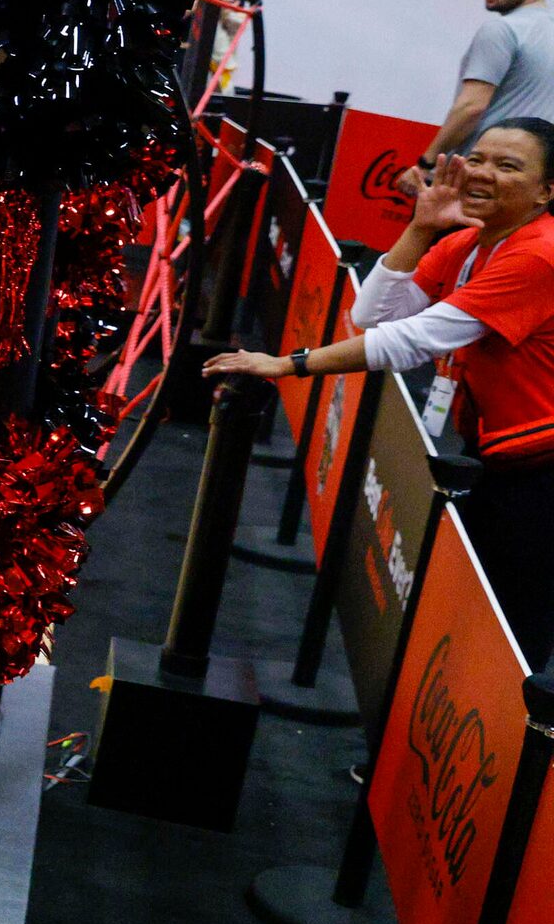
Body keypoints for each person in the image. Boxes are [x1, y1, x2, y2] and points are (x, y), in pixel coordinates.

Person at [205, 118, 554, 667]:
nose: (483, 173)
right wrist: (420, 228)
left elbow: (413, 340)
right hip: (496, 451)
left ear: (546, 192)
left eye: (508, 166)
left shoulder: (538, 256)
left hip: (541, 471)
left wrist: (290, 364)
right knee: (478, 617)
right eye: (479, 158)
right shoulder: (465, 242)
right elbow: (374, 315)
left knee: (513, 636)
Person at [399, 0, 553, 195]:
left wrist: (425, 164)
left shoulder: (501, 30)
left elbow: (471, 107)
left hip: (476, 178)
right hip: (529, 187)